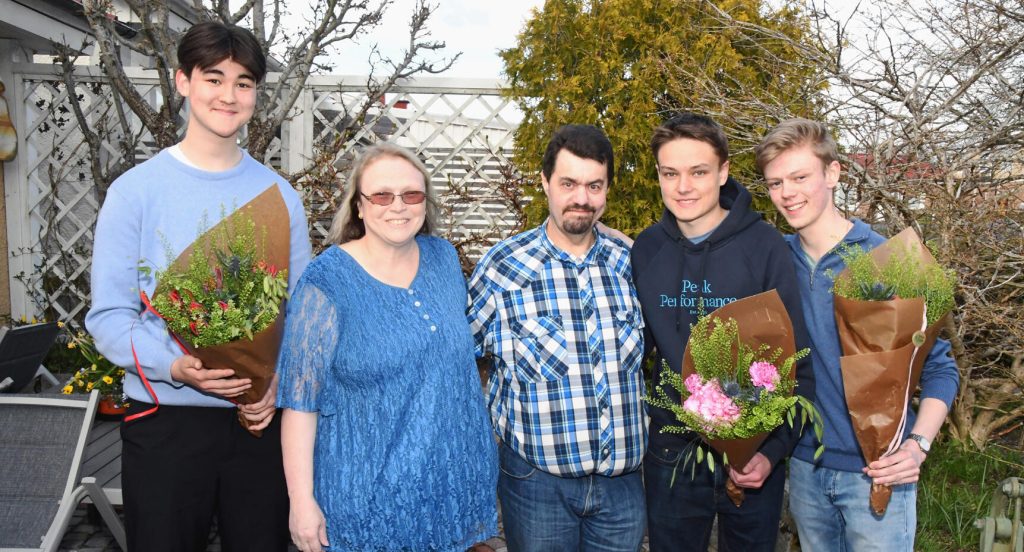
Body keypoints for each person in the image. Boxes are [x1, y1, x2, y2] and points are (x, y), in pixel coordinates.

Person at [85, 21, 312, 551]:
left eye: (244, 82)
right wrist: (174, 366)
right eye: (214, 78)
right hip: (165, 420)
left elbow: (301, 314)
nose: (229, 96)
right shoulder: (134, 193)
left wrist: (280, 382)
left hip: (258, 424)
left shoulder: (279, 197)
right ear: (183, 81)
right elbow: (109, 318)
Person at [276, 143, 498, 552]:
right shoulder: (325, 282)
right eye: (381, 195)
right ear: (358, 206)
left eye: (411, 194)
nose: (398, 206)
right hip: (364, 503)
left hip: (449, 490)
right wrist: (301, 502)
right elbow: (300, 403)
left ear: (425, 202)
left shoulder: (443, 258)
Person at [755, 118, 959, 551]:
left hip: (878, 473)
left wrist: (918, 446)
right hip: (805, 470)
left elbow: (940, 367)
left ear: (832, 174)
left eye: (799, 177)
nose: (787, 193)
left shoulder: (886, 259)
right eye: (775, 183)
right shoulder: (775, 261)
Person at [631, 113, 814, 551]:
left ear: (724, 171)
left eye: (698, 172)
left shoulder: (763, 246)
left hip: (753, 455)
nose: (683, 187)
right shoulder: (647, 249)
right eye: (670, 173)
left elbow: (796, 361)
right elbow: (638, 352)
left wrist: (770, 453)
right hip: (672, 453)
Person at [467, 124, 647, 551]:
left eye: (594, 185)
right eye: (568, 183)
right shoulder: (502, 269)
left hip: (622, 490)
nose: (581, 198)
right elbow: (461, 362)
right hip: (536, 486)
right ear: (545, 182)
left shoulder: (634, 265)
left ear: (607, 190)